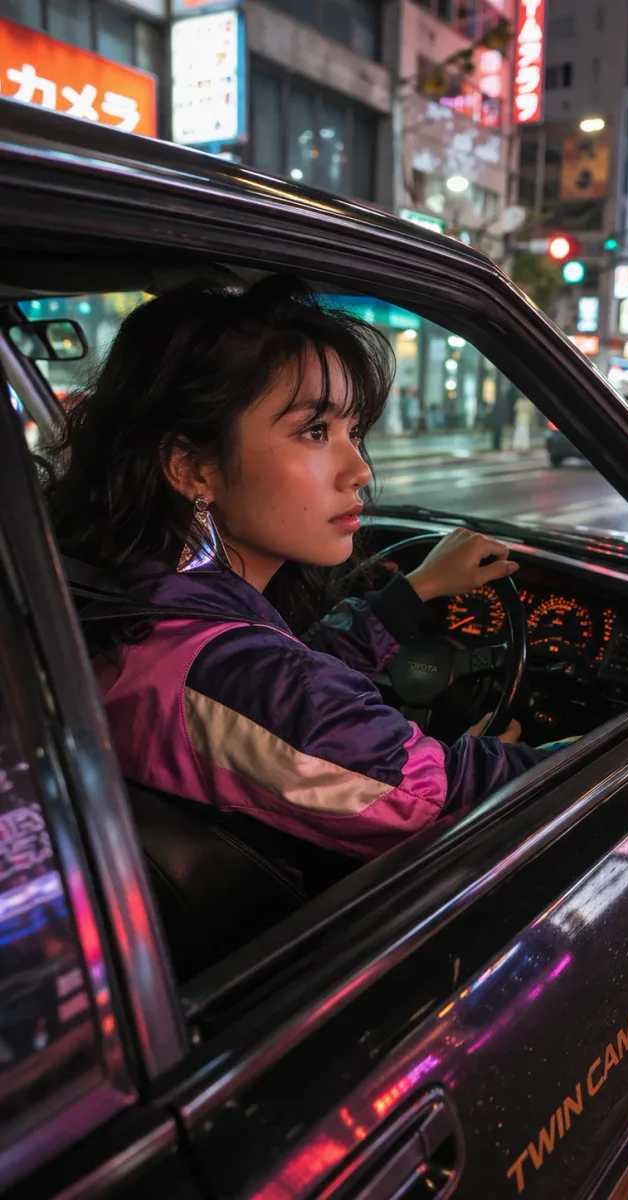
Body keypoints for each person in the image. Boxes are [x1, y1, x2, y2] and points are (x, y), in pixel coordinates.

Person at [42, 277, 547, 862]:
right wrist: (507, 761)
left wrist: (416, 591)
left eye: (354, 431)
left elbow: (289, 680)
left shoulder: (135, 600)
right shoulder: (230, 677)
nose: (359, 469)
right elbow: (434, 795)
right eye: (315, 431)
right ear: (191, 467)